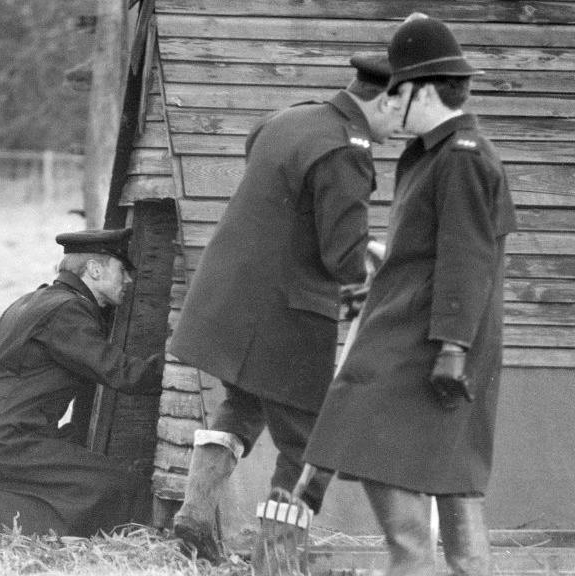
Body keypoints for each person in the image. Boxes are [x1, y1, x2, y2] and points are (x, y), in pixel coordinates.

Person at [166, 55, 404, 562]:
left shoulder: (287, 118)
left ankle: (193, 514)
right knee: (311, 438)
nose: (398, 126)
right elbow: (342, 257)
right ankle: (276, 560)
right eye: (397, 112)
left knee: (243, 404)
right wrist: (382, 266)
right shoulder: (346, 150)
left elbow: (291, 207)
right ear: (381, 99)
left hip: (230, 296)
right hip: (285, 316)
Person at [304, 14, 516, 576]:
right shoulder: (435, 153)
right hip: (422, 342)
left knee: (423, 515)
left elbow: (468, 261)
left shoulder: (462, 158)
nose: (390, 106)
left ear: (424, 89)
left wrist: (451, 348)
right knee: (450, 499)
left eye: (398, 92)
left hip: (427, 350)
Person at [0, 228, 165, 541]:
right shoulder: (68, 311)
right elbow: (123, 373)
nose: (129, 280)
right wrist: (178, 359)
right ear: (95, 270)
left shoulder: (35, 300)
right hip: (5, 443)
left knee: (92, 482)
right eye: (122, 270)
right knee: (120, 488)